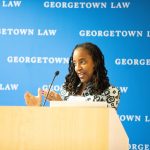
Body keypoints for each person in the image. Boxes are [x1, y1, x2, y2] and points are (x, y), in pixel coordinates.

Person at [24, 42, 120, 109]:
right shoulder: (67, 89)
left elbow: (101, 125)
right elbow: (55, 122)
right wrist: (37, 108)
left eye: (82, 62)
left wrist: (62, 104)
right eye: (75, 63)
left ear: (95, 63)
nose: (77, 68)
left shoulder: (111, 92)